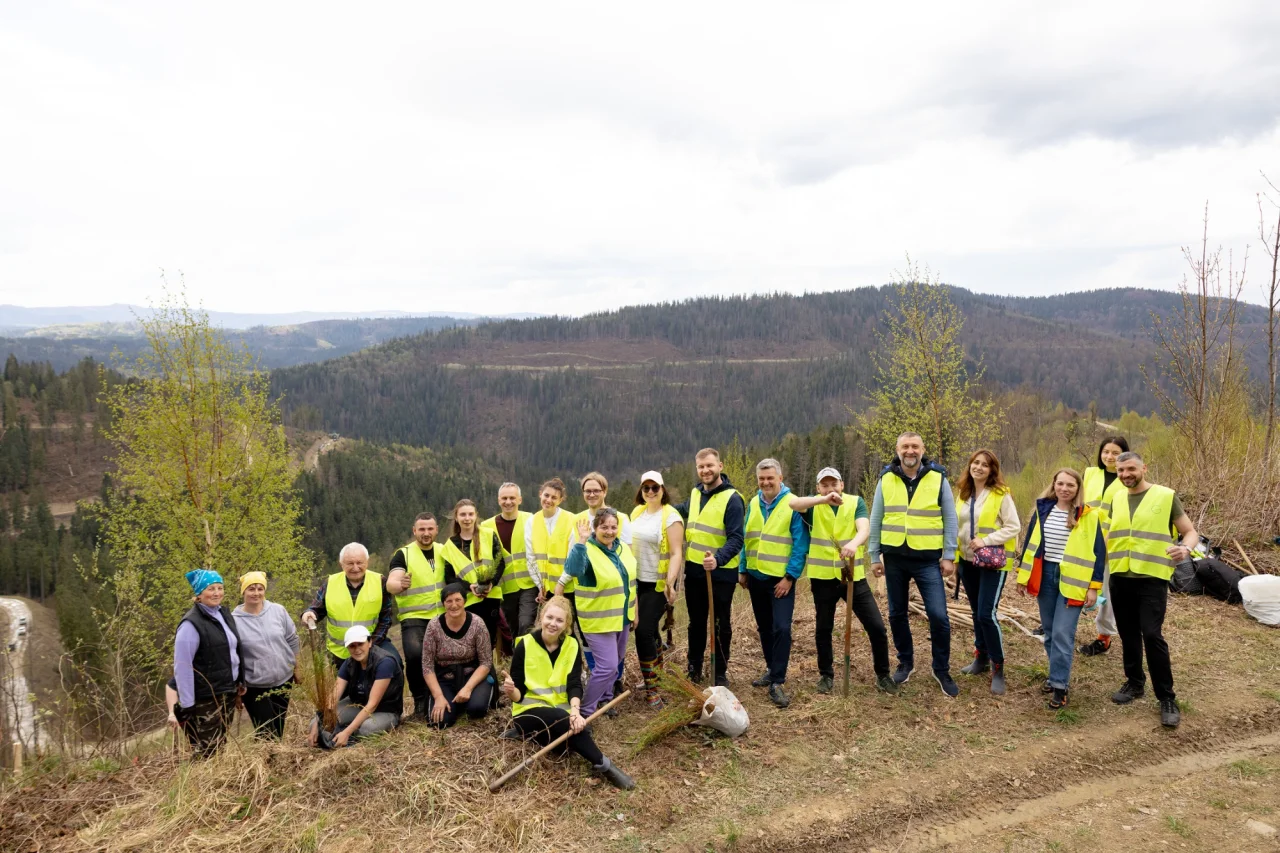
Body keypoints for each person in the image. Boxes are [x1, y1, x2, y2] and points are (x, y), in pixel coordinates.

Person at [500, 595, 635, 789]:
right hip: (529, 712)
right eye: (549, 618)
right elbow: (518, 695)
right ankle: (605, 765)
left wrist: (574, 711)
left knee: (577, 734)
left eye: (559, 620)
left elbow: (574, 684)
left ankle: (533, 736)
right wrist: (511, 691)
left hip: (562, 712)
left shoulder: (572, 645)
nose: (553, 624)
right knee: (574, 730)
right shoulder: (524, 644)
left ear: (567, 624)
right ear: (541, 618)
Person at [1103, 451, 1197, 728]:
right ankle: (1134, 682)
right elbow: (1110, 535)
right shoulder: (1117, 498)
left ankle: (1166, 697)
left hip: (1152, 577)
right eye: (1120, 471)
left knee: (1152, 635)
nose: (1125, 475)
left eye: (1130, 469)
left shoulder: (1165, 496)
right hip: (1120, 576)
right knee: (1127, 632)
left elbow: (1190, 532)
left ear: (1144, 468)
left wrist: (1185, 548)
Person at [868, 432, 960, 698]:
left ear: (923, 449)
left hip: (927, 559)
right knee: (897, 614)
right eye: (905, 446)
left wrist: (949, 555)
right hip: (894, 558)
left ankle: (941, 668)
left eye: (915, 446)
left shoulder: (938, 477)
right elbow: (876, 518)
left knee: (939, 616)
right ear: (897, 450)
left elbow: (950, 518)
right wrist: (874, 555)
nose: (910, 451)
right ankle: (905, 662)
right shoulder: (886, 478)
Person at [788, 467, 895, 695]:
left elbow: (864, 528)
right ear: (818, 487)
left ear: (842, 485)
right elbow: (793, 504)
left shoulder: (855, 502)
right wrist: (822, 499)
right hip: (822, 578)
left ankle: (883, 674)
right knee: (823, 628)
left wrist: (854, 544)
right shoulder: (813, 505)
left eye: (834, 484)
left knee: (876, 626)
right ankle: (826, 676)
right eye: (825, 485)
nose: (830, 488)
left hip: (852, 577)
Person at [1015, 469, 1106, 710]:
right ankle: (1055, 674)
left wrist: (1093, 587)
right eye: (1060, 483)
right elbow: (1030, 545)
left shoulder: (1088, 515)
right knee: (1050, 630)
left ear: (1078, 488)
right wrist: (1023, 576)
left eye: (1070, 485)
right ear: (1054, 484)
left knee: (1063, 633)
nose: (1065, 488)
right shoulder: (1043, 510)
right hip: (1045, 576)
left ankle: (1060, 685)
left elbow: (1098, 554)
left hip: (1073, 580)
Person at [673, 448, 745, 687]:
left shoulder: (732, 499)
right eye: (701, 467)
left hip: (721, 574)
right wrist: (655, 508)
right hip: (694, 571)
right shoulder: (695, 493)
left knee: (720, 624)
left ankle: (719, 671)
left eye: (710, 466)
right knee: (696, 623)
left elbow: (736, 538)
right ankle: (693, 669)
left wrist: (718, 559)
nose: (705, 470)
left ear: (720, 466)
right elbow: (680, 512)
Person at [741, 458, 808, 708]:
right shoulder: (753, 503)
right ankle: (771, 669)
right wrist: (743, 568)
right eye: (762, 479)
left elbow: (800, 545)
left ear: (780, 478)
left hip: (781, 581)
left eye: (770, 478)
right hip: (756, 577)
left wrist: (790, 577)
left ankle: (778, 680)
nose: (766, 482)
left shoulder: (793, 504)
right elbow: (748, 537)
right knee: (765, 627)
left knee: (782, 628)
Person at [555, 508, 636, 715]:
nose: (609, 531)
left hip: (622, 617)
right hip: (598, 620)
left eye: (613, 527)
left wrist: (634, 612)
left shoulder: (622, 549)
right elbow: (573, 570)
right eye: (604, 527)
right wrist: (580, 542)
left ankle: (606, 699)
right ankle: (585, 711)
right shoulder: (587, 550)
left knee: (615, 663)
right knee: (606, 667)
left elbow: (630, 584)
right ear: (595, 528)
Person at [953, 449, 1020, 696]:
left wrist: (987, 540)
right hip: (967, 562)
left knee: (986, 613)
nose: (979, 467)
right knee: (975, 611)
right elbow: (955, 525)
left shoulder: (1001, 494)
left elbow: (1014, 526)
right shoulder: (962, 493)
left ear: (992, 470)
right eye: (975, 463)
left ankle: (998, 667)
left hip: (993, 562)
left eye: (985, 464)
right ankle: (980, 658)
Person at [173, 569, 243, 757]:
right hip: (206, 697)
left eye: (220, 588)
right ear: (199, 594)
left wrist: (239, 681)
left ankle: (219, 782)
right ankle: (198, 783)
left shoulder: (223, 614)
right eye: (211, 588)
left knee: (221, 743)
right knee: (208, 749)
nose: (217, 593)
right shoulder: (191, 625)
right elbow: (182, 666)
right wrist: (187, 704)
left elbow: (233, 651)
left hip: (227, 690)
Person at [630, 471, 685, 708]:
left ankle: (652, 689)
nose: (651, 492)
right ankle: (657, 675)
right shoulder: (637, 513)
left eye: (655, 488)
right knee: (650, 632)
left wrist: (670, 582)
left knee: (642, 631)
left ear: (663, 489)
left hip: (658, 582)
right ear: (641, 491)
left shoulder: (671, 516)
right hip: (637, 581)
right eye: (646, 488)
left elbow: (676, 553)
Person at [386, 512, 447, 720]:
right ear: (414, 531)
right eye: (421, 529)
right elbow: (391, 581)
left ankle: (440, 697)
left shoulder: (443, 550)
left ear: (436, 530)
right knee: (414, 655)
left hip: (442, 614)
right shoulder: (403, 554)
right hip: (414, 616)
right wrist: (399, 584)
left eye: (430, 529)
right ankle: (420, 701)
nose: (426, 533)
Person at [301, 543, 397, 666]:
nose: (355, 568)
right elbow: (317, 608)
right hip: (339, 652)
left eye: (359, 563)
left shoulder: (380, 581)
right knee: (344, 685)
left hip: (371, 648)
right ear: (342, 564)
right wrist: (309, 613)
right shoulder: (330, 583)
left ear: (367, 562)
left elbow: (386, 617)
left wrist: (371, 644)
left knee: (394, 663)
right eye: (350, 563)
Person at [1078, 435, 1130, 658]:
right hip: (1084, 537)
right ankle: (1057, 625)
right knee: (1074, 580)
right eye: (1106, 452)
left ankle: (1104, 636)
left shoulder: (1127, 478)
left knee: (1107, 588)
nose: (1109, 457)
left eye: (1115, 453)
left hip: (1112, 541)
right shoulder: (1090, 473)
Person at [309, 626, 403, 747]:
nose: (357, 649)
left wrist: (347, 732)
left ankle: (343, 734)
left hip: (384, 709)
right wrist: (318, 723)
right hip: (358, 704)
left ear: (369, 642)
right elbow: (332, 699)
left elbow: (372, 704)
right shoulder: (349, 663)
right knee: (313, 723)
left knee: (367, 730)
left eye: (360, 644)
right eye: (352, 646)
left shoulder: (384, 662)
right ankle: (338, 733)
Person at [232, 571, 299, 739]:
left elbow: (292, 638)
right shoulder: (234, 620)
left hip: (284, 679)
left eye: (260, 588)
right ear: (243, 592)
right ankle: (266, 762)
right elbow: (232, 657)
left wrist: (297, 666)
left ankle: (274, 762)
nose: (256, 593)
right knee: (266, 733)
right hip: (255, 685)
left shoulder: (278, 611)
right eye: (251, 589)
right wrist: (235, 687)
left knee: (278, 727)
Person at [422, 583, 494, 728]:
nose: (454, 605)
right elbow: (427, 666)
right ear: (443, 604)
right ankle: (451, 702)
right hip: (445, 677)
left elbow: (486, 662)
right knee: (441, 721)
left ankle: (469, 698)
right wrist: (438, 696)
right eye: (449, 601)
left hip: (473, 675)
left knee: (476, 709)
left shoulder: (477, 624)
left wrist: (468, 688)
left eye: (458, 600)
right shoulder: (433, 626)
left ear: (464, 601)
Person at [439, 499, 507, 648]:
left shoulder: (489, 535)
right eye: (463, 514)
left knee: (489, 641)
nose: (467, 518)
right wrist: (469, 586)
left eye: (470, 514)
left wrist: (491, 583)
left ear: (476, 516)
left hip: (491, 597)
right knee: (471, 642)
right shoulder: (449, 546)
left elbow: (500, 562)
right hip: (468, 601)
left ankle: (488, 671)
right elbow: (449, 578)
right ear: (456, 517)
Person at [486, 483, 537, 642]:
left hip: (529, 584)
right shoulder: (486, 526)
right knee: (512, 628)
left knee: (526, 624)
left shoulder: (531, 519)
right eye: (504, 498)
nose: (508, 502)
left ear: (520, 499)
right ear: (498, 500)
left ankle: (525, 662)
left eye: (512, 498)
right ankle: (518, 661)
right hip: (505, 587)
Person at [526, 477, 576, 603]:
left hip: (568, 589)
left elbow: (574, 557)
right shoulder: (532, 521)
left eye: (554, 498)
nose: (549, 500)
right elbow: (530, 558)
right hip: (545, 590)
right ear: (540, 494)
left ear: (560, 500)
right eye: (546, 495)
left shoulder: (571, 519)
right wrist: (540, 586)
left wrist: (562, 582)